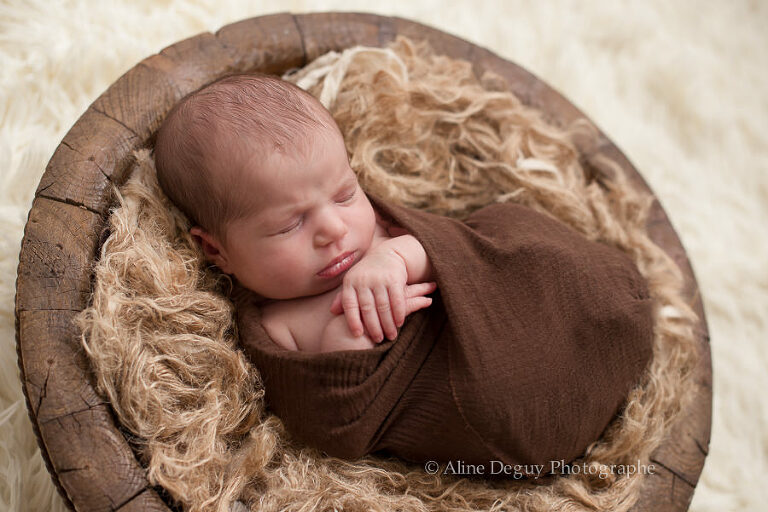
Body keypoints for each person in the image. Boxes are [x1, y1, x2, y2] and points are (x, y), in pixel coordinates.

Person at [154, 72, 437, 353]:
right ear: (216, 250)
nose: (335, 229)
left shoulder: (382, 233)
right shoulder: (277, 329)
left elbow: (446, 248)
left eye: (345, 196)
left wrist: (395, 258)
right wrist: (351, 336)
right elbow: (334, 381)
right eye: (289, 225)